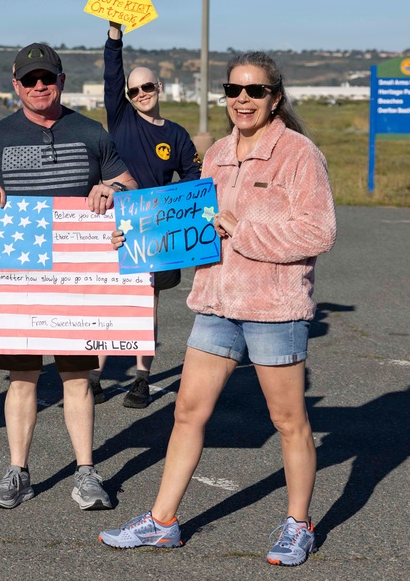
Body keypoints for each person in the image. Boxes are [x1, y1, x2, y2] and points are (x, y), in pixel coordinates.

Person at [98, 52, 336, 567]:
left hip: (273, 306)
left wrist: (244, 232)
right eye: (233, 91)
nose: (242, 100)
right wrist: (136, 237)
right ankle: (163, 522)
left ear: (276, 98)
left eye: (254, 91)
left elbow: (319, 231)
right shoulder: (217, 155)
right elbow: (186, 219)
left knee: (289, 419)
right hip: (215, 304)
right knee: (187, 412)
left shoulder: (298, 154)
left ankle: (299, 524)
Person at [0, 43, 138, 511]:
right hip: (18, 280)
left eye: (47, 79)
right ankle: (18, 471)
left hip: (77, 280)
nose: (40, 87)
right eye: (30, 80)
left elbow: (130, 185)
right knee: (23, 378)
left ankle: (86, 472)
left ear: (61, 80)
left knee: (77, 380)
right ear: (16, 85)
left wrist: (110, 188)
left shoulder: (90, 131)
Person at [91, 21, 202, 408]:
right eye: (133, 90)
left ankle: (141, 377)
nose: (140, 94)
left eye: (147, 87)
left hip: (157, 229)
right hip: (117, 223)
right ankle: (95, 376)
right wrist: (115, 37)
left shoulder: (177, 136)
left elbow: (194, 179)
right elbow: (111, 74)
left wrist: (172, 207)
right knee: (108, 303)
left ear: (160, 89)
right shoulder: (120, 119)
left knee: (145, 306)